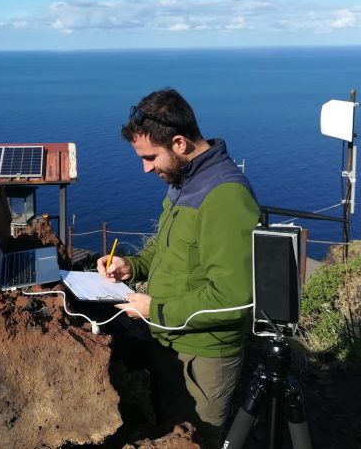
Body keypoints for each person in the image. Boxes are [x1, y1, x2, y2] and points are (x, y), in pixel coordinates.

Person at [97, 88, 259, 447]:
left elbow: (234, 297)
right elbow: (169, 252)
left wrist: (156, 308)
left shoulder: (225, 196)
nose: (146, 167)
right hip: (169, 340)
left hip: (203, 357)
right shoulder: (184, 182)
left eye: (151, 157)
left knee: (197, 439)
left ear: (180, 143)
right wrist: (131, 267)